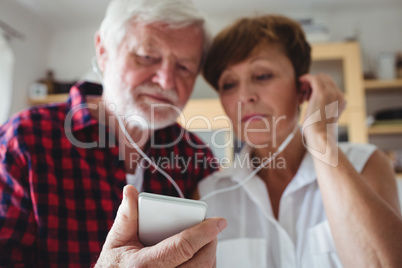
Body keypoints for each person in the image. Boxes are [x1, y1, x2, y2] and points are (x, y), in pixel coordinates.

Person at [0, 0, 227, 267]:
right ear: (103, 52)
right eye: (147, 57)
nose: (166, 80)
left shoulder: (195, 154)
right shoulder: (27, 138)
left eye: (185, 67)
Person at [198, 15, 402, 267]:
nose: (244, 96)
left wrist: (319, 134)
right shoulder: (209, 195)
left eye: (262, 75)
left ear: (303, 87)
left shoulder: (366, 164)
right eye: (228, 84)